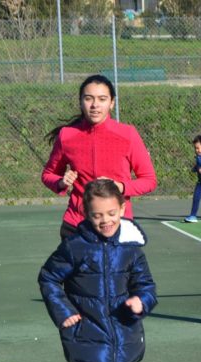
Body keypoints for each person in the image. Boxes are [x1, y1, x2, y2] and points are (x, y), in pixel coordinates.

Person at [39, 179, 157, 362]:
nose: (105, 221)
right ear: (86, 214)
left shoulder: (131, 247)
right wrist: (63, 310)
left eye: (111, 213)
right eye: (97, 215)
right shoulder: (75, 246)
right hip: (86, 328)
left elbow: (146, 285)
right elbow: (49, 277)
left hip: (123, 328)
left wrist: (141, 302)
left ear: (122, 209)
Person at [42, 74, 157, 240]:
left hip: (117, 226)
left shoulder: (128, 134)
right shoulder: (66, 136)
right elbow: (48, 174)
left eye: (102, 99)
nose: (95, 105)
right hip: (76, 226)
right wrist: (61, 182)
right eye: (88, 98)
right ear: (80, 102)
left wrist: (121, 187)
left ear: (111, 103)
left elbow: (149, 180)